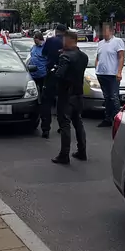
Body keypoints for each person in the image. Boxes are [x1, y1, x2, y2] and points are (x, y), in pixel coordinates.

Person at [52, 31, 88, 165]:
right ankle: (82, 151)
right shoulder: (83, 56)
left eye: (64, 39)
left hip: (66, 95)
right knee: (78, 122)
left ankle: (64, 155)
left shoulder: (65, 56)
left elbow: (59, 75)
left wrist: (56, 70)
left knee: (65, 124)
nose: (62, 42)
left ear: (69, 40)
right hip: (79, 94)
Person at [95, 23, 125, 128]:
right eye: (102, 31)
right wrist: (96, 67)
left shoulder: (117, 41)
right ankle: (107, 118)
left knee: (114, 97)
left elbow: (121, 57)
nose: (103, 33)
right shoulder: (100, 43)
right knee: (107, 97)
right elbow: (98, 57)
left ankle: (118, 120)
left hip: (112, 74)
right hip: (101, 74)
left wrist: (119, 72)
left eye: (105, 30)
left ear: (112, 31)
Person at [40, 24, 66, 138]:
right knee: (63, 101)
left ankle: (46, 129)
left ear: (56, 31)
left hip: (51, 74)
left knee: (47, 102)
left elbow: (44, 53)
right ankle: (63, 126)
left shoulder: (50, 41)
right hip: (64, 75)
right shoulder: (67, 42)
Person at [28, 31, 47, 96]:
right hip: (32, 72)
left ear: (38, 38)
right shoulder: (34, 47)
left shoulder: (45, 47)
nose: (34, 41)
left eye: (35, 39)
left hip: (42, 73)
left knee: (42, 89)